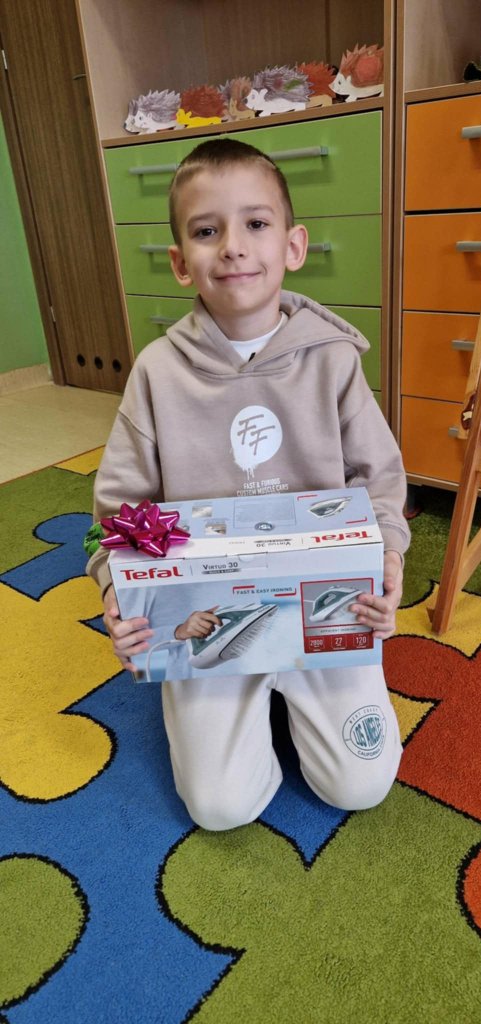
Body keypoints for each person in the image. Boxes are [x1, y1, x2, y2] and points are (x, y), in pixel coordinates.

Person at [87, 137, 410, 831]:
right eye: (207, 231)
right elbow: (119, 509)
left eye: (255, 223)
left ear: (293, 246)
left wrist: (387, 562)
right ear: (181, 262)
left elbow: (378, 478)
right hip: (206, 613)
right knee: (219, 807)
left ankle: (295, 695)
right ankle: (243, 705)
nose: (233, 247)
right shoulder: (157, 372)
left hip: (323, 611)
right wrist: (121, 592)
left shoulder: (332, 359)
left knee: (362, 783)